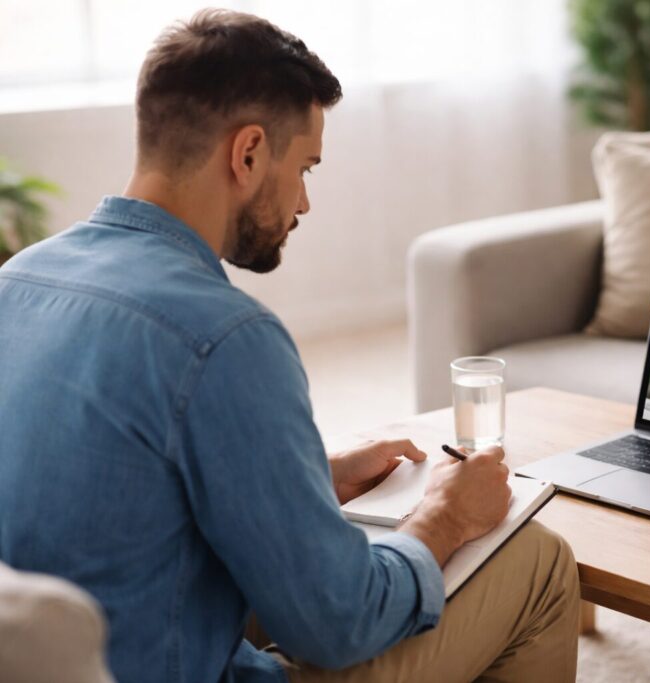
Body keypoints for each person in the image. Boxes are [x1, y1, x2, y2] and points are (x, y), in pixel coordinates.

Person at [0, 10, 579, 683]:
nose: (304, 201)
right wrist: (443, 517)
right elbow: (336, 624)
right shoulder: (225, 337)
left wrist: (311, 477)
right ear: (247, 154)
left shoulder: (20, 278)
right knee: (537, 562)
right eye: (305, 167)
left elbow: (104, 497)